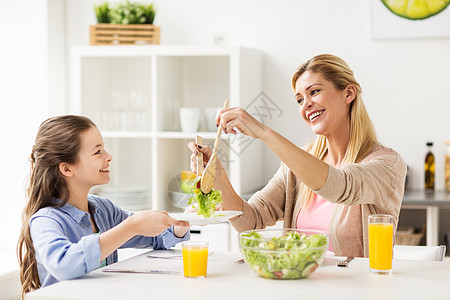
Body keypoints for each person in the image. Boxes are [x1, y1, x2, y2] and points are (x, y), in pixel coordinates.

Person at [188, 54, 406, 258]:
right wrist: (219, 179)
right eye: (300, 100)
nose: (306, 105)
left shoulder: (386, 164)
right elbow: (251, 220)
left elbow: (339, 186)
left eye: (314, 92)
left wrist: (264, 133)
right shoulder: (297, 166)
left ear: (348, 93)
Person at [17, 115, 190, 297]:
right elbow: (64, 265)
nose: (109, 156)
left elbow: (156, 237)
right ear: (67, 169)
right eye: (97, 152)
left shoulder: (103, 210)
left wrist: (182, 222)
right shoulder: (46, 220)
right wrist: (129, 227)